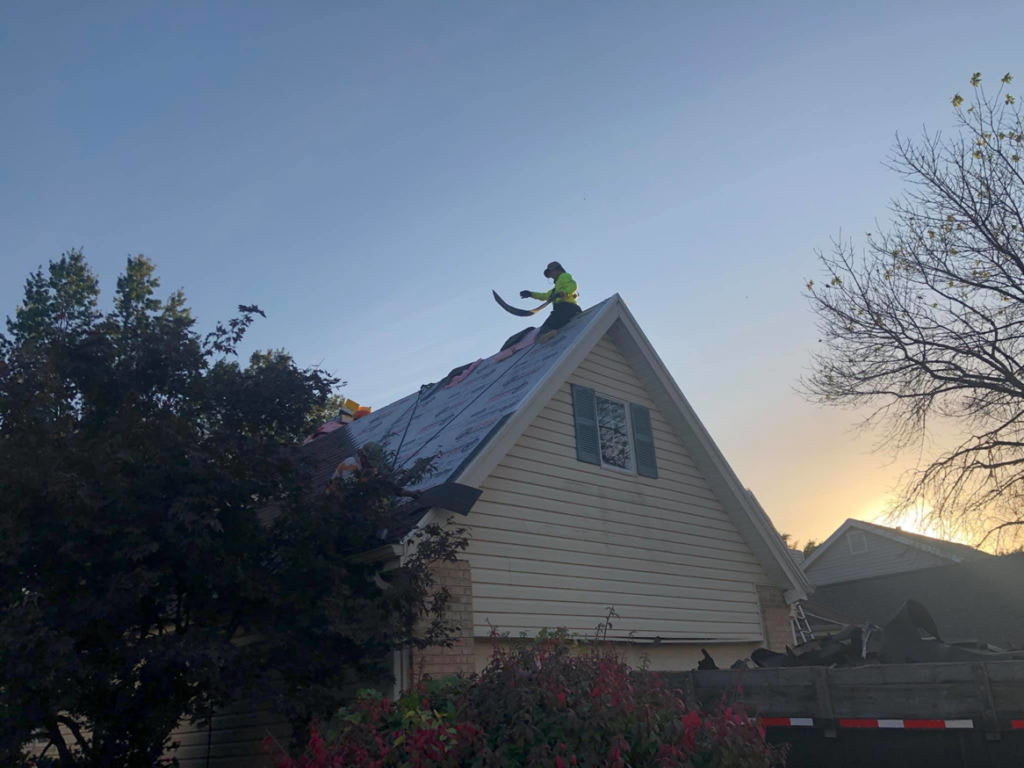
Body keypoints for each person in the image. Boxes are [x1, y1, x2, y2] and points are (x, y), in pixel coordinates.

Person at [328, 441, 421, 498]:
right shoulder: (351, 464)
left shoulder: (368, 470)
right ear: (363, 457)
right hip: (334, 499)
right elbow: (349, 490)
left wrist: (410, 493)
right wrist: (369, 481)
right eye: (370, 463)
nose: (371, 466)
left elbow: (388, 486)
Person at [520, 261, 581, 342]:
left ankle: (548, 333)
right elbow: (544, 295)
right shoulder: (554, 291)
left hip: (567, 308)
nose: (551, 275)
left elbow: (573, 285)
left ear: (558, 270)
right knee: (546, 327)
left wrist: (564, 292)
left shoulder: (564, 276)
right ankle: (550, 334)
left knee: (546, 327)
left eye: (551, 272)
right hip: (562, 310)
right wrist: (531, 294)